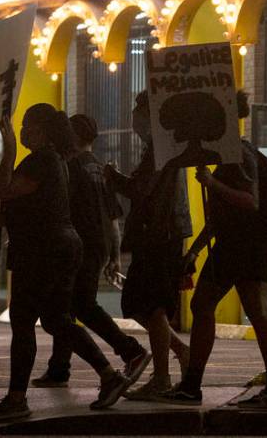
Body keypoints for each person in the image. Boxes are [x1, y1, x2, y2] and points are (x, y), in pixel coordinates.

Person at [0, 105, 136, 423]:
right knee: (56, 319)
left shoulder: (42, 159)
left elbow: (4, 188)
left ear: (41, 130)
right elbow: (35, 202)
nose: (21, 132)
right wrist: (13, 215)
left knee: (24, 321)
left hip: (43, 251)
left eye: (26, 127)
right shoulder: (57, 161)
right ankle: (109, 376)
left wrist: (7, 151)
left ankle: (17, 398)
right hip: (59, 247)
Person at [172, 91, 267, 407]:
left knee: (213, 306)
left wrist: (213, 184)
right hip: (241, 243)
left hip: (243, 244)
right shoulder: (230, 152)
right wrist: (194, 251)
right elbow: (221, 214)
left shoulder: (237, 153)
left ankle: (194, 384)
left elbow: (250, 201)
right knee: (253, 311)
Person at [31, 114, 150, 388]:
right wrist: (114, 255)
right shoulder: (100, 168)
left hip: (77, 246)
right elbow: (112, 218)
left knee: (77, 307)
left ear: (72, 136)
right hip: (98, 245)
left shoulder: (69, 167)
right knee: (70, 306)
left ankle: (130, 350)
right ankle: (59, 367)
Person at [104, 91, 192, 401]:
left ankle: (163, 379)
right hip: (160, 234)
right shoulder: (160, 147)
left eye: (138, 114)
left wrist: (111, 176)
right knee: (141, 303)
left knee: (150, 304)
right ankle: (181, 352)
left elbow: (140, 188)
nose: (134, 121)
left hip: (160, 235)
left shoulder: (161, 149)